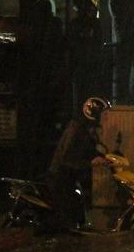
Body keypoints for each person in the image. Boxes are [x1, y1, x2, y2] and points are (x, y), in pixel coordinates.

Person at [45, 97, 109, 232]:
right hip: (61, 178)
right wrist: (90, 163)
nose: (106, 118)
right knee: (68, 219)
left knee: (79, 213)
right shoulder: (76, 129)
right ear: (94, 114)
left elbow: (89, 150)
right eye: (104, 114)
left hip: (71, 178)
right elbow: (67, 158)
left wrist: (105, 157)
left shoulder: (85, 128)